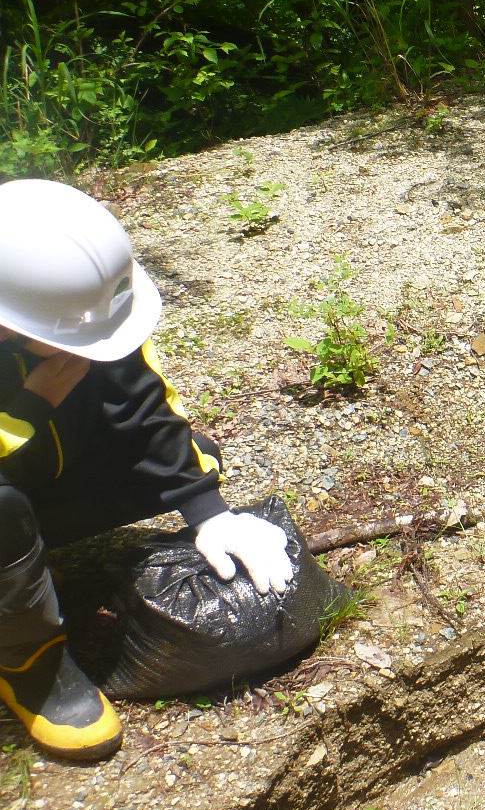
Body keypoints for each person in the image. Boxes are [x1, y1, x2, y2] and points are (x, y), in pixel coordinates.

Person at [0, 179, 293, 760]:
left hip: (45, 477)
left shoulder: (71, 308)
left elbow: (143, 404)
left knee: (193, 455)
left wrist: (209, 511)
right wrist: (31, 408)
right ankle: (29, 660)